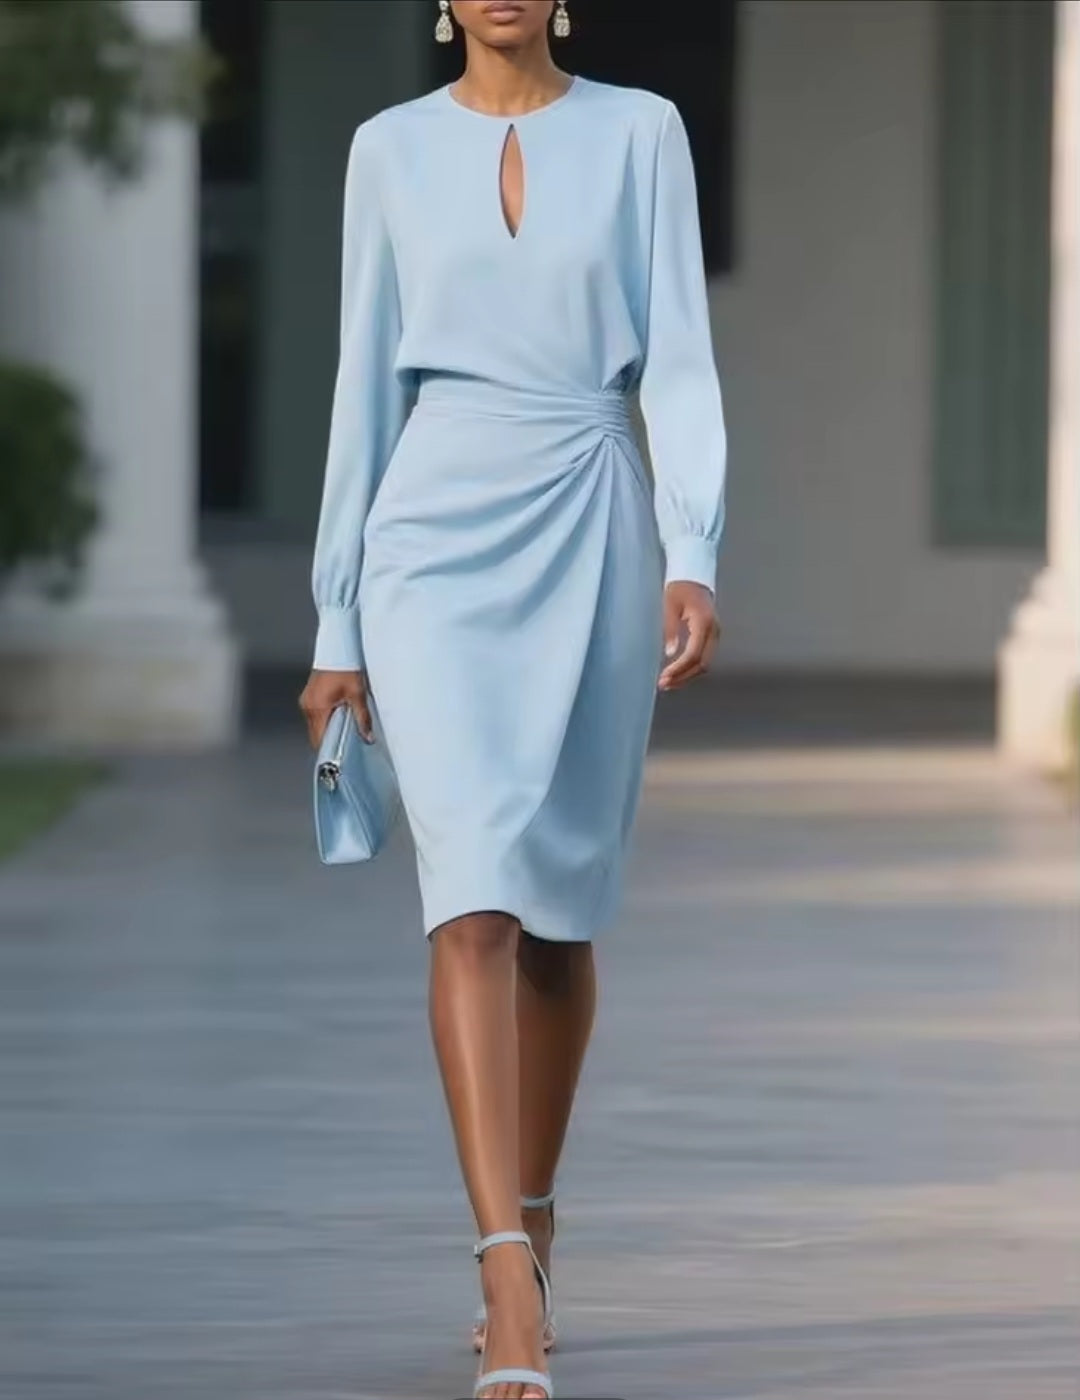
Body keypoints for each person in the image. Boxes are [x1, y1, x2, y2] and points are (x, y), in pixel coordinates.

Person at [298, 2, 726, 1395]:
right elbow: (363, 383)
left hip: (594, 517)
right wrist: (336, 617)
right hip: (432, 530)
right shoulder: (385, 149)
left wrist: (693, 548)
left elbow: (680, 357)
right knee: (469, 891)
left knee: (559, 910)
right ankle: (502, 1270)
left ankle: (537, 1214)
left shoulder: (642, 132)